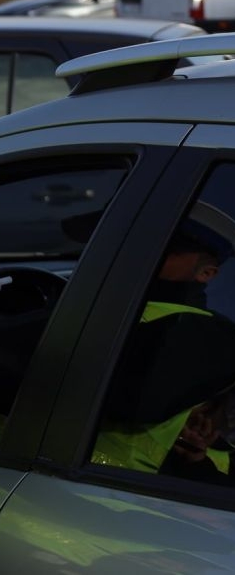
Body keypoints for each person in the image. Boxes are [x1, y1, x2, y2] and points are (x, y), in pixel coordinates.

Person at [92, 200, 235, 478]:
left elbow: (87, 386)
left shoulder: (196, 332)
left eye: (167, 247)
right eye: (129, 240)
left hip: (108, 501)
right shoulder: (117, 302)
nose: (138, 253)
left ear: (206, 273)